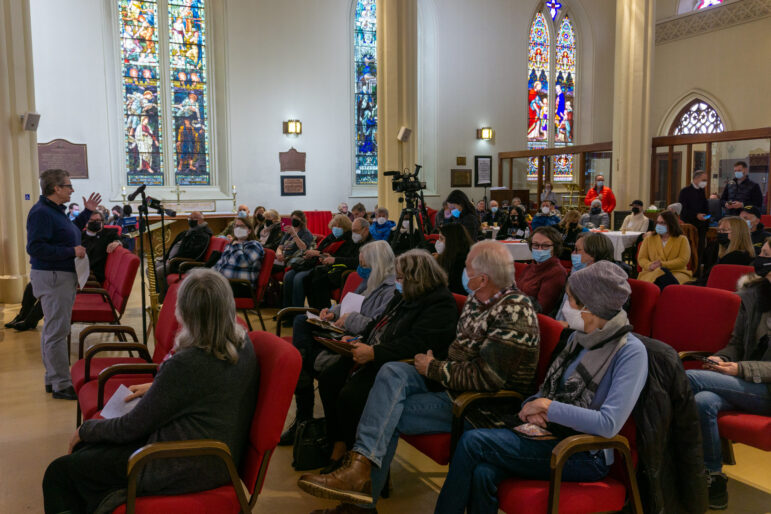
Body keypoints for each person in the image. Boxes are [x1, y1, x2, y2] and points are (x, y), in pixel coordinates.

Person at [296, 241, 541, 512]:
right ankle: (358, 476)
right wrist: (437, 366)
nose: (461, 273)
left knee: (385, 412)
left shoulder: (515, 311)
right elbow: (458, 353)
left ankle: (358, 502)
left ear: (483, 279)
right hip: (451, 386)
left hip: (478, 407)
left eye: (467, 269)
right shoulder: (478, 298)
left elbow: (488, 378)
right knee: (391, 373)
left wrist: (434, 367)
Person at [435, 262, 648, 514]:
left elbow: (608, 424)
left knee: (473, 442)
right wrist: (531, 407)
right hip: (550, 433)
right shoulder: (577, 339)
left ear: (592, 305)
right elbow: (546, 390)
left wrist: (548, 408)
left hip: (584, 451)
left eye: (571, 301)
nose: (566, 308)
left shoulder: (630, 352)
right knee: (483, 472)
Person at [42, 268, 258, 514]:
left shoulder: (189, 363)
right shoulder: (242, 343)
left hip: (178, 462)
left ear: (185, 313)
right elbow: (202, 392)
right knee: (85, 457)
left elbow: (130, 426)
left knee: (59, 473)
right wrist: (158, 387)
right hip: (212, 458)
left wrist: (86, 429)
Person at [312, 250, 458, 473]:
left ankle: (356, 459)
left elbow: (416, 344)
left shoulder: (439, 303)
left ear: (417, 277)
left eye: (400, 277)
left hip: (400, 364)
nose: (396, 282)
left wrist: (374, 352)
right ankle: (338, 443)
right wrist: (358, 339)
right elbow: (379, 324)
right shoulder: (405, 295)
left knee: (350, 396)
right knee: (330, 378)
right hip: (376, 351)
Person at [280, 241, 397, 446]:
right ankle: (313, 365)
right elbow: (348, 302)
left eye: (365, 265)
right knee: (301, 321)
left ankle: (304, 412)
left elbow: (376, 326)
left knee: (301, 360)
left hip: (356, 338)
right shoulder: (369, 281)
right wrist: (331, 312)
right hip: (340, 330)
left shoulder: (389, 290)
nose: (361, 269)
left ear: (376, 265)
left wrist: (349, 318)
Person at [686, 242, 771, 510]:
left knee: (690, 378)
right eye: (762, 253)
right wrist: (722, 357)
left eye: (767, 255)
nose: (760, 260)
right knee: (702, 402)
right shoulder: (756, 296)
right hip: (744, 382)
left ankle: (660, 459)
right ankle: (713, 475)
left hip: (765, 388)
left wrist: (741, 369)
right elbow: (736, 343)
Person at [26, 170, 101, 400]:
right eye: (68, 185)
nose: (72, 190)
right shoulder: (41, 213)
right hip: (53, 276)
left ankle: (52, 379)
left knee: (53, 330)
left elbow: (66, 232)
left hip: (58, 275)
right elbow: (35, 248)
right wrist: (71, 251)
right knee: (58, 332)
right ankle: (61, 383)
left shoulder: (54, 211)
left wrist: (87, 212)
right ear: (55, 188)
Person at [8, 211, 121, 334]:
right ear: (86, 223)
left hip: (90, 278)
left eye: (99, 221)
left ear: (103, 222)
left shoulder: (108, 234)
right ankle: (22, 315)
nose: (96, 223)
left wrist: (117, 242)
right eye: (92, 221)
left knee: (52, 290)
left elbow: (123, 239)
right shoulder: (79, 235)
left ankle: (30, 321)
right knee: (33, 285)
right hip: (71, 270)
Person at [283, 215, 353, 312]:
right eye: (334, 225)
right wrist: (310, 254)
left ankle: (297, 312)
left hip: (326, 268)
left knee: (299, 279)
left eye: (339, 226)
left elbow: (337, 258)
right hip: (314, 263)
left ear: (345, 227)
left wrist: (318, 254)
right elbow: (318, 250)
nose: (335, 228)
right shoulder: (330, 237)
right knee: (288, 275)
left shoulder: (349, 240)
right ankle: (287, 310)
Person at [307, 218, 372, 309]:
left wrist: (335, 260)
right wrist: (329, 258)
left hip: (350, 272)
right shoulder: (355, 240)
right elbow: (344, 256)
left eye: (356, 231)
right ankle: (313, 311)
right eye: (352, 231)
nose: (353, 234)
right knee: (311, 276)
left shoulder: (371, 244)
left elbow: (357, 262)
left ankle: (323, 312)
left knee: (319, 280)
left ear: (366, 230)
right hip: (339, 268)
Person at [153, 211, 212, 297]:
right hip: (173, 261)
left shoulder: (203, 235)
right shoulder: (187, 232)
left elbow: (193, 254)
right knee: (150, 270)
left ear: (199, 220)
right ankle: (157, 297)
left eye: (192, 219)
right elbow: (173, 246)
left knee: (158, 272)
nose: (189, 220)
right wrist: (166, 258)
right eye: (189, 218)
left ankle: (163, 299)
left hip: (182, 264)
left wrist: (173, 261)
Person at [517, 226, 567, 314]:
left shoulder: (556, 272)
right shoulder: (532, 266)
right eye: (536, 245)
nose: (539, 249)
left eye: (545, 246)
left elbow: (542, 308)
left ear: (555, 248)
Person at [637, 210, 692, 288]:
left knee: (668, 284)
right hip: (652, 271)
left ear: (671, 224)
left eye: (663, 223)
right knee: (654, 282)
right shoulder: (649, 239)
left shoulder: (682, 239)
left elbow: (683, 260)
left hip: (676, 272)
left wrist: (662, 265)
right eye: (658, 222)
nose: (659, 225)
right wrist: (650, 265)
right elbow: (642, 258)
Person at [212, 216, 265, 289]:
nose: (238, 228)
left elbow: (242, 262)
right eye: (236, 226)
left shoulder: (254, 245)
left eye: (242, 226)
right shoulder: (231, 245)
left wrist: (237, 245)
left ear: (249, 230)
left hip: (241, 285)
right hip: (224, 282)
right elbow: (220, 263)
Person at [699, 216, 755, 281]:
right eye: (719, 230)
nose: (720, 233)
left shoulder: (736, 257)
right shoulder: (718, 248)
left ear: (738, 233)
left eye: (724, 230)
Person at [436, 222, 474, 295]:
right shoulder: (448, 257)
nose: (438, 242)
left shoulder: (461, 263)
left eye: (441, 238)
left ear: (452, 240)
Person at [679, 170, 710, 252]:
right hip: (690, 225)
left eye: (706, 180)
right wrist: (696, 215)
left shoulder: (701, 191)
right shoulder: (685, 191)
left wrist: (707, 216)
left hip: (702, 225)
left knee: (700, 249)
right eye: (703, 180)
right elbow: (683, 210)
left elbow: (705, 206)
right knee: (690, 250)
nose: (705, 182)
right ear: (696, 179)